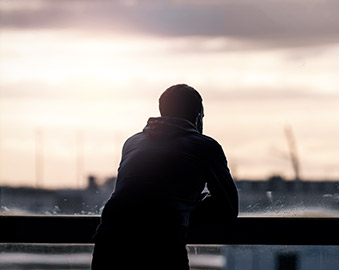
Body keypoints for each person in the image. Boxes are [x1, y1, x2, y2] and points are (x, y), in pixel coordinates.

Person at [91, 84, 238, 269]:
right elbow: (229, 208)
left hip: (109, 242)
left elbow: (135, 193)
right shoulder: (206, 147)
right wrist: (186, 206)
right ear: (198, 116)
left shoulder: (133, 142)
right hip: (162, 244)